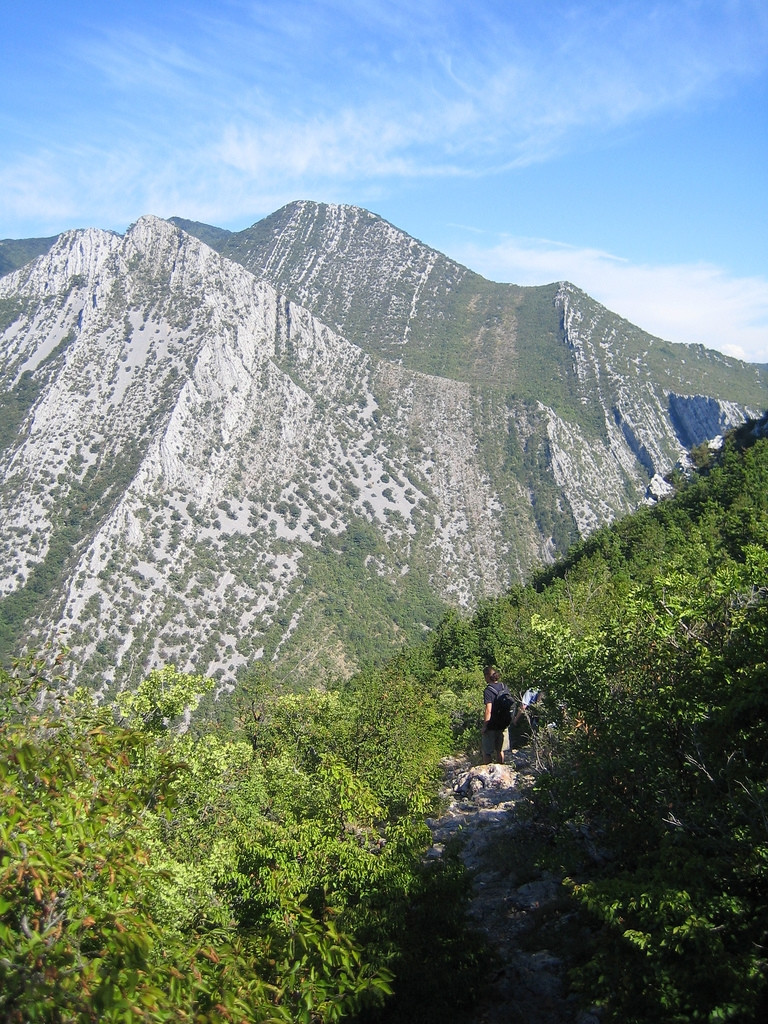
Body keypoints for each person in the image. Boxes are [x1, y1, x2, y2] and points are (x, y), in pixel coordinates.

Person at [481, 665, 510, 765]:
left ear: (487, 676)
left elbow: (488, 709)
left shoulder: (488, 690)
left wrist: (485, 726)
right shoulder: (504, 687)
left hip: (492, 725)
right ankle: (500, 770)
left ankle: (487, 771)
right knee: (500, 750)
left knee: (487, 751)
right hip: (504, 723)